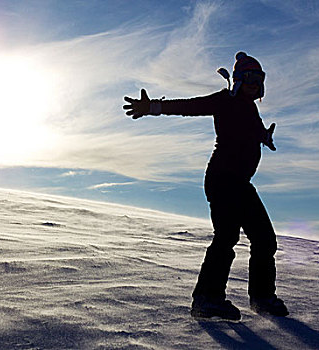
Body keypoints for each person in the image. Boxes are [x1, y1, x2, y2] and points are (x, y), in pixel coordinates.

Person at [123, 52, 288, 320]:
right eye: (249, 77)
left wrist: (264, 137)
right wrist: (152, 107)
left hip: (242, 184)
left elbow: (253, 130)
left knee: (265, 240)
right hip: (222, 179)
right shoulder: (225, 100)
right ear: (238, 79)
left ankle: (262, 297)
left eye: (259, 78)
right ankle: (207, 299)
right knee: (226, 237)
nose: (254, 83)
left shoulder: (250, 107)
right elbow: (191, 106)